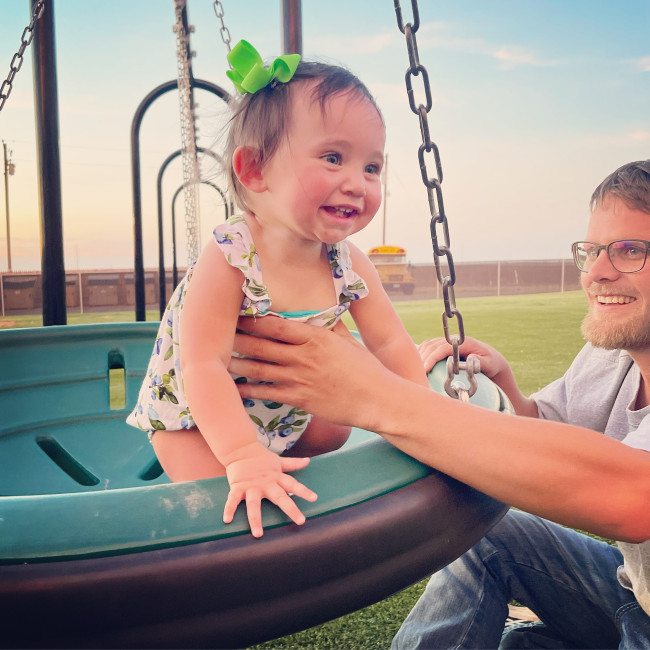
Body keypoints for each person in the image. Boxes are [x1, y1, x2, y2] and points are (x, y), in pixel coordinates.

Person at [228, 160, 650, 647]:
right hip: (629, 590)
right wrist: (506, 384)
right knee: (490, 539)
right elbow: (549, 429)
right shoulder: (610, 357)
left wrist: (376, 397)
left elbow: (632, 498)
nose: (596, 272)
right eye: (592, 250)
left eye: (629, 251)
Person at [126, 40, 428, 539]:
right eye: (334, 158)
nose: (358, 182)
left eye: (372, 167)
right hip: (197, 419)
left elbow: (391, 344)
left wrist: (425, 413)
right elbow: (200, 366)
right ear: (255, 170)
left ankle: (278, 455)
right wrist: (244, 456)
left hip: (283, 410)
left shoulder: (348, 263)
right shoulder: (230, 257)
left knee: (336, 428)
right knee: (221, 497)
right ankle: (253, 460)